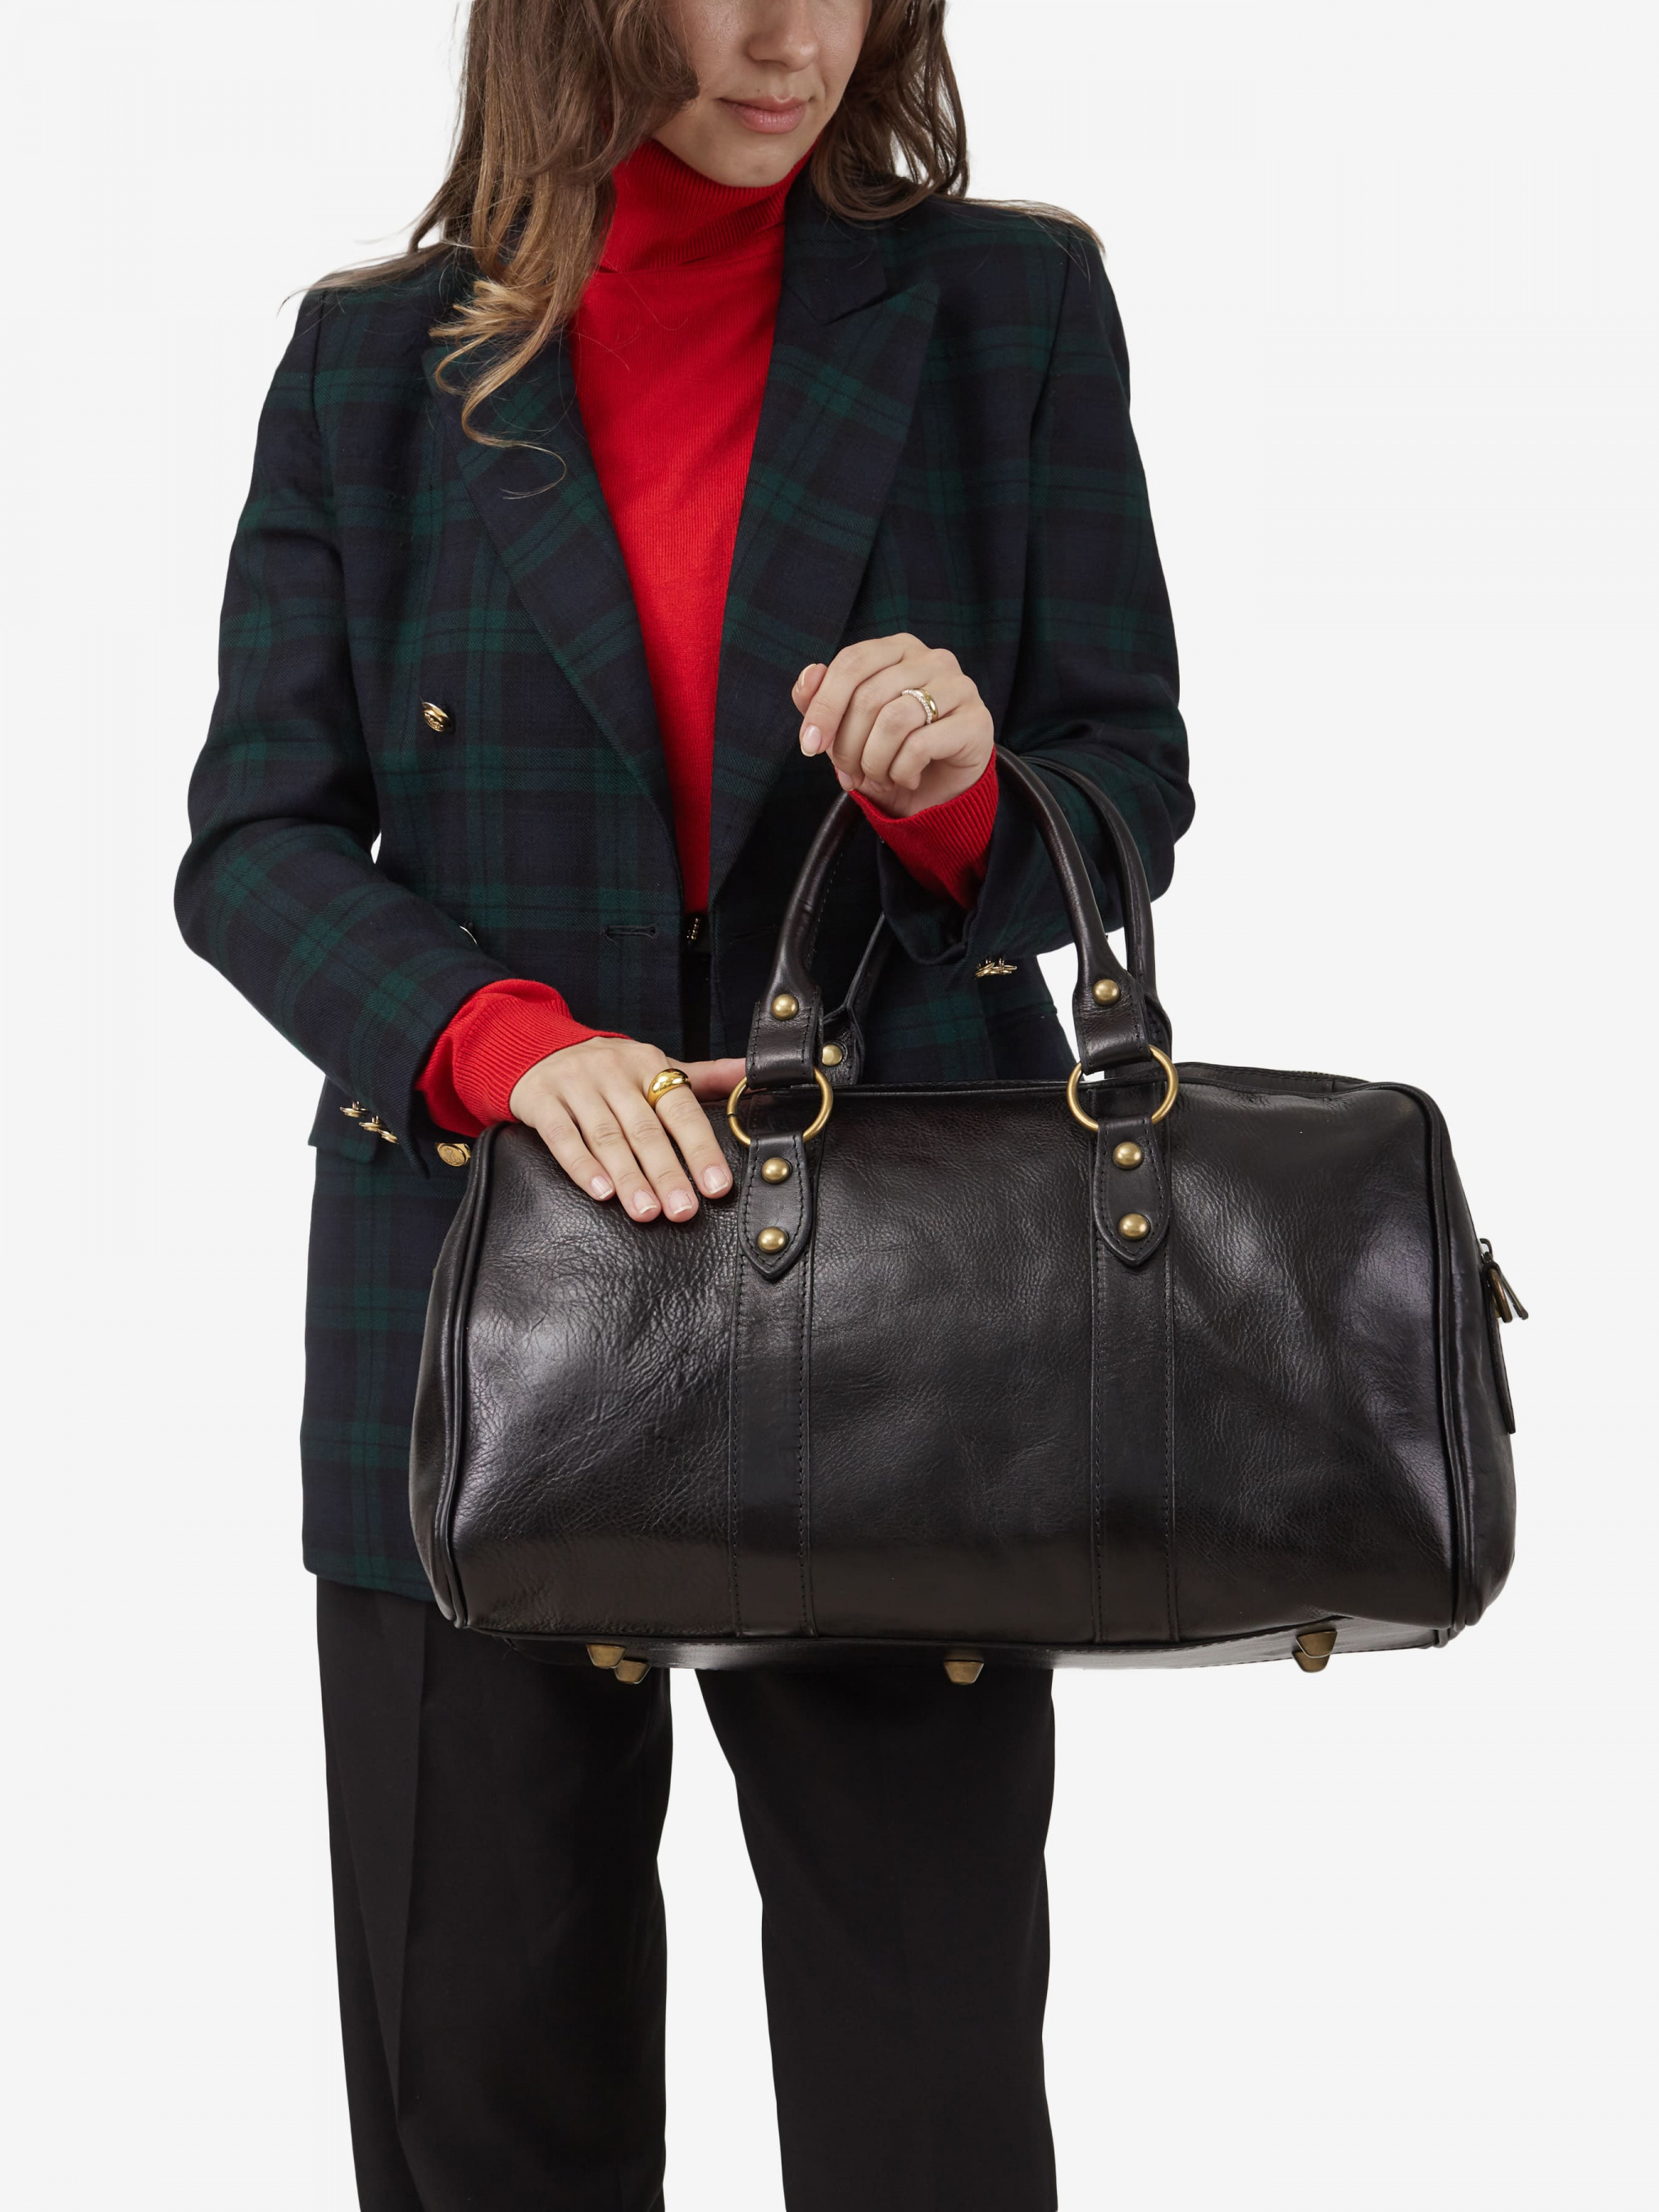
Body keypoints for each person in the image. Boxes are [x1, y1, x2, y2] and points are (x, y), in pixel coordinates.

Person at [176, 2, 1190, 2205]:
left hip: (905, 1319)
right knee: (482, 2106)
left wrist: (958, 798)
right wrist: (506, 1045)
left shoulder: (1007, 310)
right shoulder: (370, 363)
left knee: (925, 2111)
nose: (790, 35)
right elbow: (252, 842)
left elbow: (1127, 783)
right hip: (471, 1310)